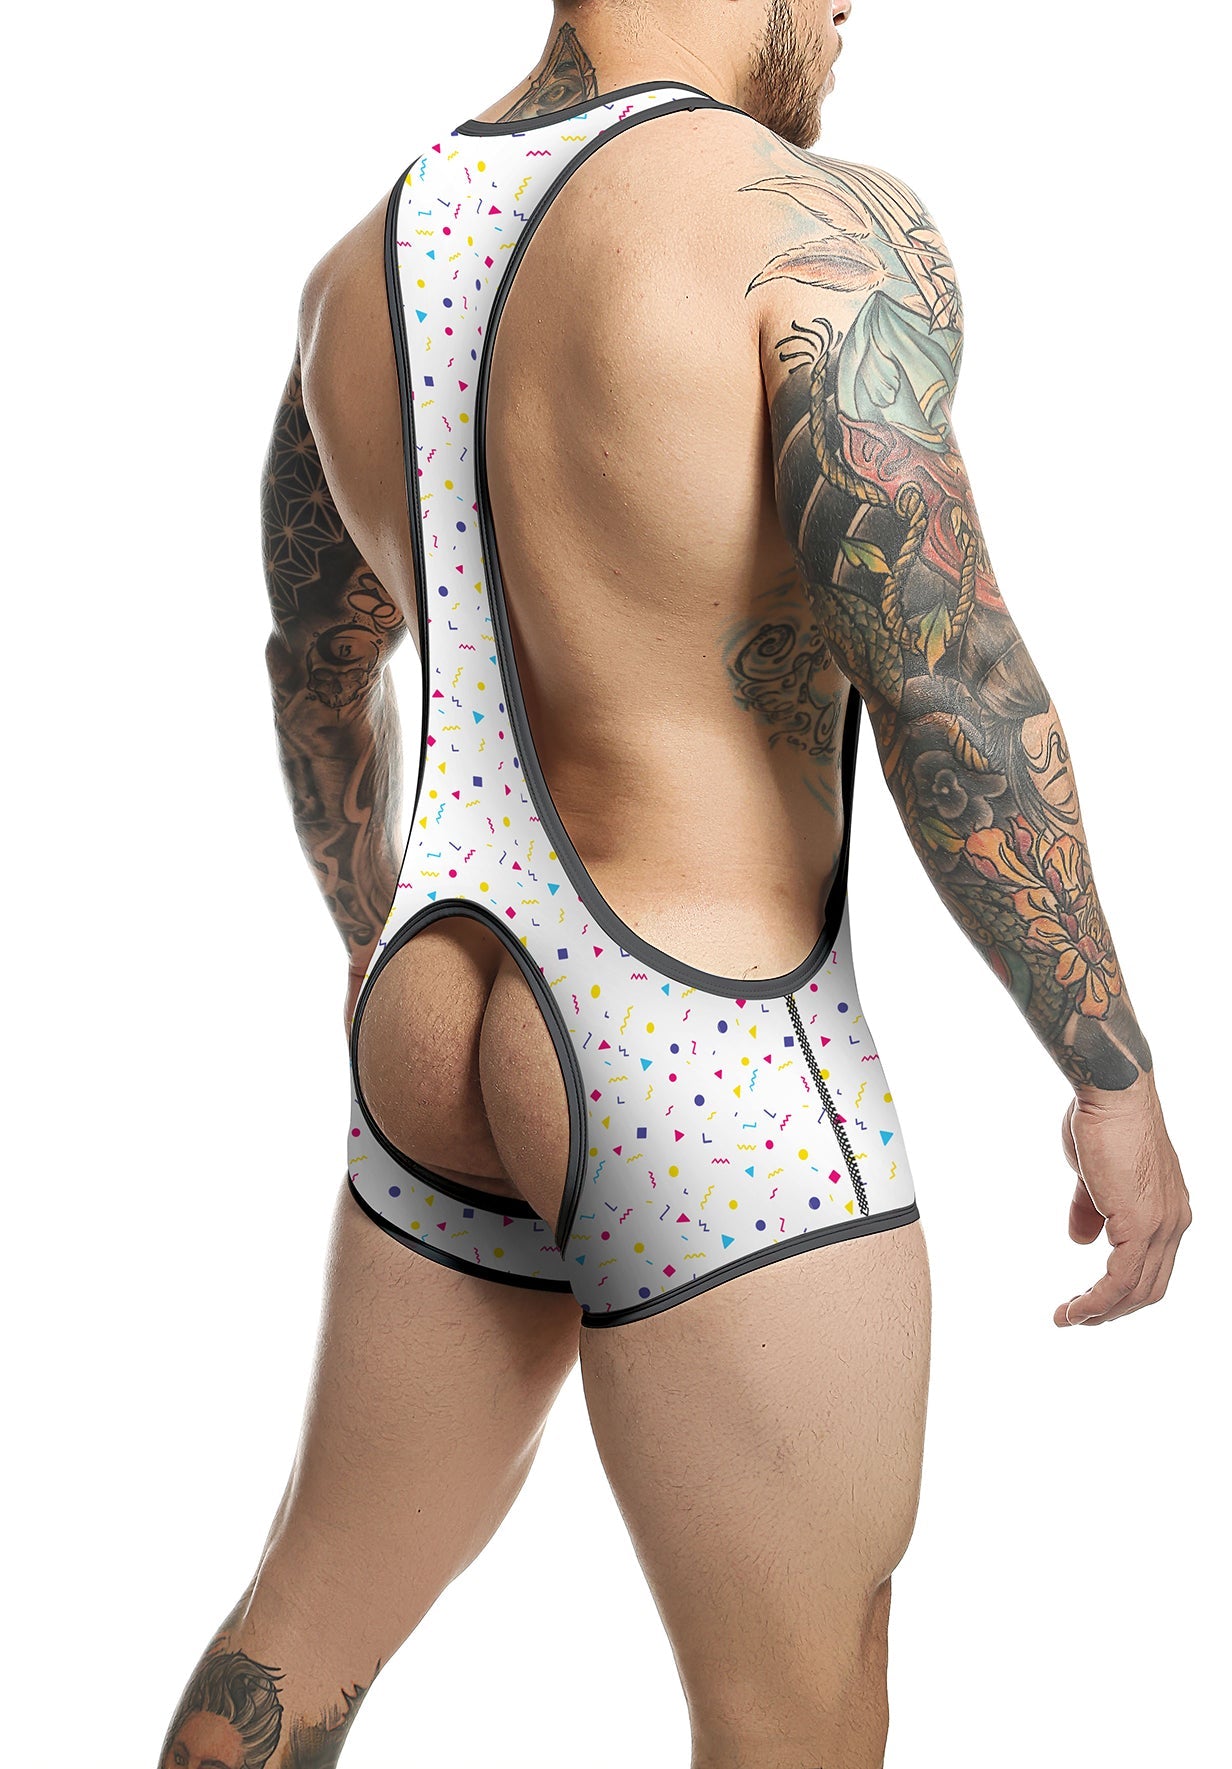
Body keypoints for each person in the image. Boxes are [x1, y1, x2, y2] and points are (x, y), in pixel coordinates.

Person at [159, 2, 1192, 1764]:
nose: (851, 7)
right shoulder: (804, 228)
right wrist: (1110, 1068)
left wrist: (362, 931)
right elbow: (946, 676)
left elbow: (318, 660)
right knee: (798, 1705)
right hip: (701, 1046)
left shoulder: (365, 267)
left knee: (302, 1624)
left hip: (437, 990)